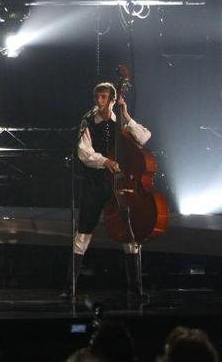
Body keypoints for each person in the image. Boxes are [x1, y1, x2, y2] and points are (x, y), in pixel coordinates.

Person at [66, 82, 152, 298]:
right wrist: (105, 161)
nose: (99, 101)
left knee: (130, 234)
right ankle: (70, 288)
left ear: (113, 100)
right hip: (96, 183)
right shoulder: (88, 120)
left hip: (122, 185)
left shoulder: (121, 122)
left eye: (104, 97)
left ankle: (135, 288)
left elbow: (144, 137)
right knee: (83, 233)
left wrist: (126, 114)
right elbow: (83, 152)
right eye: (97, 97)